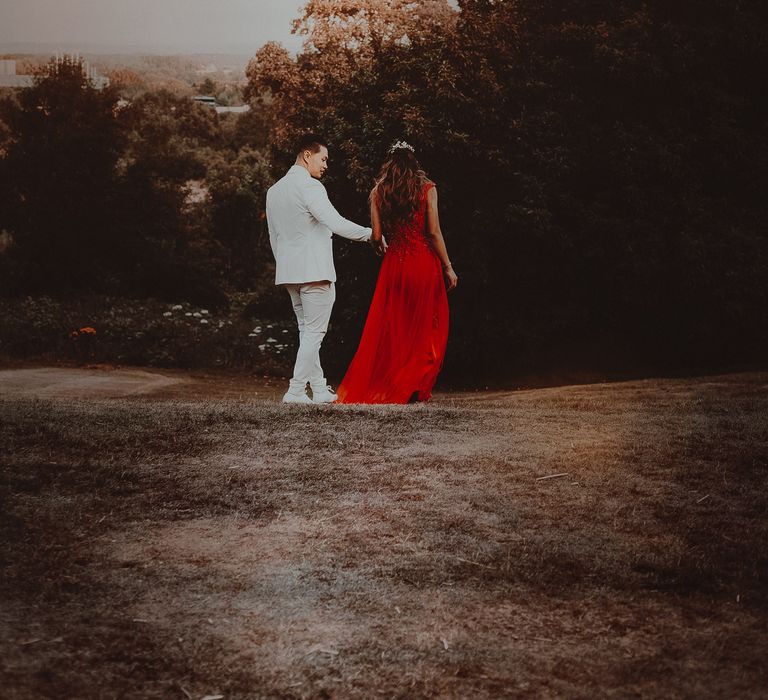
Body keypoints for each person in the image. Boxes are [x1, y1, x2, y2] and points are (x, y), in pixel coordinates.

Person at [336, 141, 458, 404]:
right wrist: (448, 266)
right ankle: (414, 385)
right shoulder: (428, 189)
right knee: (426, 327)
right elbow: (434, 232)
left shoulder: (379, 192)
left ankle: (398, 383)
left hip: (395, 265)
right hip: (423, 263)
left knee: (396, 329)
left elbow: (377, 235)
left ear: (389, 164)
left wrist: (380, 246)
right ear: (414, 162)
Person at [266, 134, 383, 404]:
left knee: (307, 332)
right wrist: (371, 235)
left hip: (289, 273)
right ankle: (295, 390)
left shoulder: (274, 191)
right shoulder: (310, 187)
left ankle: (318, 388)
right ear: (307, 155)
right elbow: (336, 222)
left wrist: (284, 265)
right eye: (323, 158)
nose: (326, 165)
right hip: (315, 271)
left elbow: (274, 236)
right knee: (315, 333)